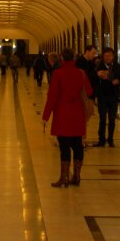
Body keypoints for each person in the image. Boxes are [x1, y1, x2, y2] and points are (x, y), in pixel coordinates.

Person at [42, 47, 93, 187]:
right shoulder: (81, 73)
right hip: (77, 113)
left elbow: (52, 97)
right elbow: (89, 91)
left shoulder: (58, 73)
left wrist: (46, 116)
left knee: (64, 147)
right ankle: (76, 176)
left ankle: (64, 177)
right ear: (74, 58)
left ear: (62, 58)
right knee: (77, 145)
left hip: (62, 114)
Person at [93, 47, 120, 146]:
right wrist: (97, 75)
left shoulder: (117, 66)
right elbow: (92, 78)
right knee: (102, 118)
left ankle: (110, 139)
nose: (107, 58)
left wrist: (118, 81)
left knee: (112, 119)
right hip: (102, 96)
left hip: (113, 96)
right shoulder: (99, 65)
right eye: (106, 56)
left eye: (109, 56)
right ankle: (101, 139)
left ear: (113, 56)